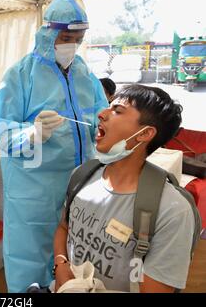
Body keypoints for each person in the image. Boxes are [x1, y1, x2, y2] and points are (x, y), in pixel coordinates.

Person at [0, 0, 108, 292]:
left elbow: (101, 114)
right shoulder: (20, 74)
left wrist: (105, 134)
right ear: (48, 33)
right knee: (30, 254)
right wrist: (31, 133)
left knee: (69, 254)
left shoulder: (83, 72)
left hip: (78, 183)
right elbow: (2, 128)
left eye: (78, 38)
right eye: (66, 37)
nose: (72, 44)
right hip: (34, 188)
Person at [53, 84, 194, 292]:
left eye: (117, 111)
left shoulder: (172, 211)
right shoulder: (82, 176)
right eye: (109, 106)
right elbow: (64, 228)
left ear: (144, 134)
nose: (102, 114)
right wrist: (61, 264)